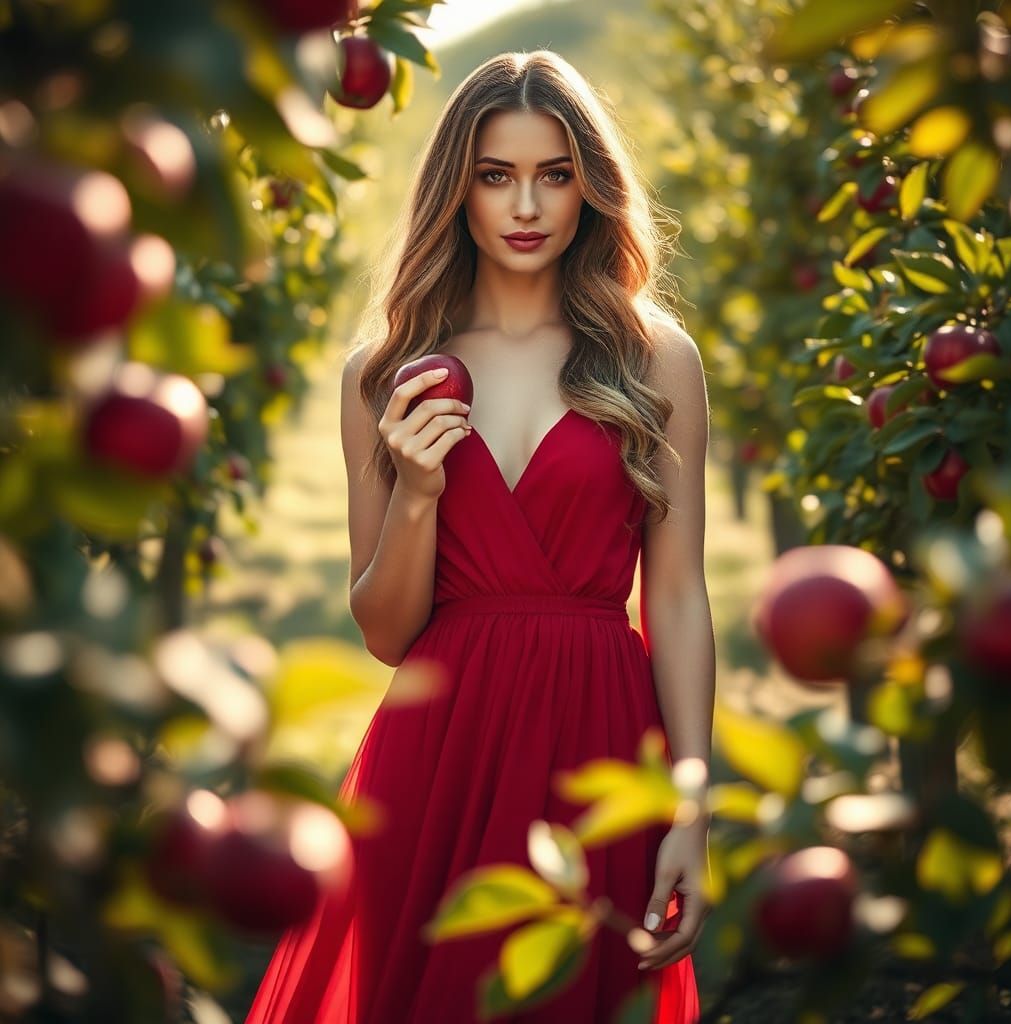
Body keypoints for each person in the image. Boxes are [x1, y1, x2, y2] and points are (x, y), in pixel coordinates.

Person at [245, 49, 712, 1024]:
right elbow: (382, 632)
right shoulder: (385, 371)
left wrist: (689, 799)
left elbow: (674, 595)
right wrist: (416, 490)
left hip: (602, 735)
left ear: (591, 183)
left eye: (554, 174)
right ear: (456, 189)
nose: (526, 205)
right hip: (439, 748)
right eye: (495, 176)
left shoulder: (655, 356)